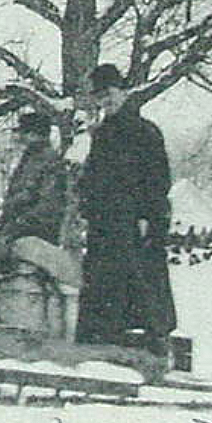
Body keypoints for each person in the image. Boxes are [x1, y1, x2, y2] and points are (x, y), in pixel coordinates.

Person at [73, 64, 177, 352]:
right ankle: (105, 343)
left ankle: (154, 342)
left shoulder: (144, 131)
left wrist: (147, 215)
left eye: (109, 93)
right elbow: (94, 177)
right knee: (104, 284)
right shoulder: (102, 133)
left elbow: (158, 178)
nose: (105, 100)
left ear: (122, 91)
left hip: (135, 222)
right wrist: (85, 205)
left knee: (143, 282)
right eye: (99, 96)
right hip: (105, 223)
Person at [0, 111, 69, 321]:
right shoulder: (32, 159)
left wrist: (14, 228)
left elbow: (46, 207)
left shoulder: (49, 163)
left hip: (35, 233)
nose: (20, 137)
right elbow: (13, 206)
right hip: (19, 228)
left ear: (35, 134)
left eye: (23, 133)